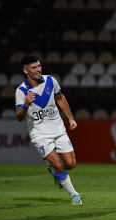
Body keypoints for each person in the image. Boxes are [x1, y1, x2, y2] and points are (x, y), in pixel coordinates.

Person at [15, 55, 82, 205]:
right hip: (40, 134)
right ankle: (74, 195)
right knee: (58, 165)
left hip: (59, 129)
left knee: (71, 164)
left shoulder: (50, 80)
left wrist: (71, 118)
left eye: (39, 66)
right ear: (25, 71)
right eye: (34, 67)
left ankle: (56, 173)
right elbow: (19, 117)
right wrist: (26, 104)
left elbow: (60, 98)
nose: (38, 69)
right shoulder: (21, 91)